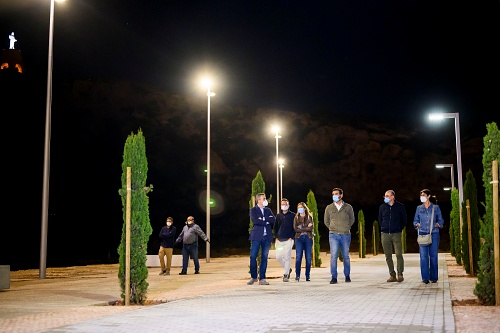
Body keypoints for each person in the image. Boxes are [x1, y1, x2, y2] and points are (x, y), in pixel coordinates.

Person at [324, 187, 355, 284]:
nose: (334, 196)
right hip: (333, 235)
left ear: (341, 195)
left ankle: (347, 275)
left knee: (345, 256)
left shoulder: (348, 207)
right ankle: (334, 277)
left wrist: (346, 227)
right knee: (333, 256)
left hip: (345, 235)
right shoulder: (329, 207)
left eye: (336, 194)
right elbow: (326, 221)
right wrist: (332, 228)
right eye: (333, 194)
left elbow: (352, 219)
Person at [413, 189, 444, 284]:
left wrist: (438, 224)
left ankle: (434, 277)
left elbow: (441, 220)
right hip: (422, 234)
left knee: (433, 256)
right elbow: (415, 220)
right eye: (421, 195)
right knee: (423, 256)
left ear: (428, 196)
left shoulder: (436, 208)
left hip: (434, 234)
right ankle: (425, 277)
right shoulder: (419, 208)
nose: (422, 197)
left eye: (424, 195)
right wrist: (417, 224)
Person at [378, 190, 407, 283]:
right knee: (388, 256)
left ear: (392, 197)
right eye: (385, 196)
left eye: (387, 196)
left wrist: (399, 228)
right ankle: (392, 275)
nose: (385, 197)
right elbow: (380, 219)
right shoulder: (382, 207)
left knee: (399, 254)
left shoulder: (400, 207)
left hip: (396, 234)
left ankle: (400, 274)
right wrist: (384, 228)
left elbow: (404, 220)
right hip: (385, 234)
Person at [248, 193, 276, 285]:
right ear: (258, 200)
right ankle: (253, 277)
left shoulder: (268, 210)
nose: (265, 200)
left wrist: (263, 218)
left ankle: (262, 278)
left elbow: (273, 219)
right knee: (253, 256)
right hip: (256, 236)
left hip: (266, 237)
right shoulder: (253, 210)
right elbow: (255, 221)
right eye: (264, 198)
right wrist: (266, 220)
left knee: (264, 257)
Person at [272, 198, 296, 282]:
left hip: (289, 240)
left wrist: (292, 237)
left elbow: (295, 227)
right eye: (282, 204)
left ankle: (286, 274)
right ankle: (288, 269)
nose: (284, 206)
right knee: (278, 257)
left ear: (288, 205)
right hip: (279, 240)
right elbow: (275, 227)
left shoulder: (293, 215)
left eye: (285, 204)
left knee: (287, 257)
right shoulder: (279, 216)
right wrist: (276, 237)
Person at [293, 201, 314, 282]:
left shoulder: (309, 217)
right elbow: (295, 229)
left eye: (301, 207)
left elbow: (311, 228)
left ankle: (307, 276)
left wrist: (301, 228)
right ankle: (297, 275)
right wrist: (306, 227)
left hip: (308, 238)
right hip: (299, 239)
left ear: (305, 208)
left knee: (308, 258)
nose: (300, 209)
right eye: (298, 208)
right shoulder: (296, 218)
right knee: (298, 257)